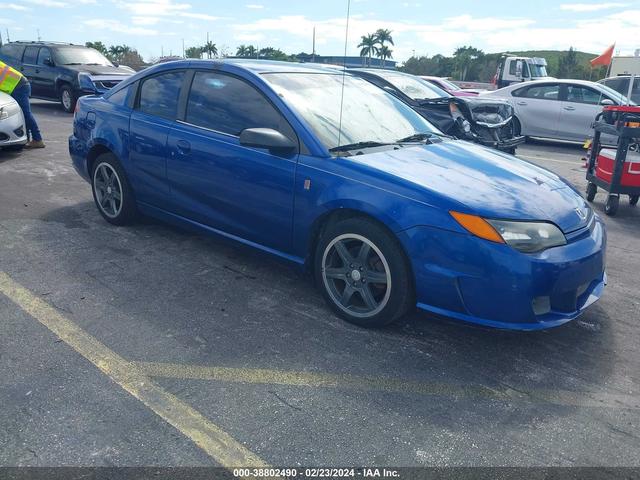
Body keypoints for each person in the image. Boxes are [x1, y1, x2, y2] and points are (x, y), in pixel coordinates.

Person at [0, 60, 45, 149]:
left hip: (18, 86)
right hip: (20, 84)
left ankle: (37, 139)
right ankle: (27, 139)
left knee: (25, 114)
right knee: (23, 114)